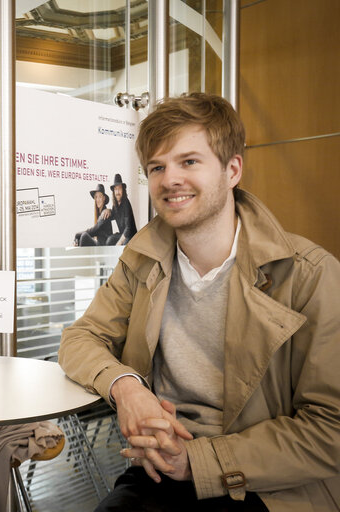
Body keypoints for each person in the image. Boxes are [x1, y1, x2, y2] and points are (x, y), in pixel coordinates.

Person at [58, 93, 340, 511]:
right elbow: (80, 338)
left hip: (269, 484)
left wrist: (198, 461)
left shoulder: (310, 273)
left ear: (232, 170)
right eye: (157, 167)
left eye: (189, 162)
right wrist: (127, 387)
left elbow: (330, 430)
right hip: (157, 467)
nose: (170, 179)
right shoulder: (141, 258)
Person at [105, 173, 137, 246]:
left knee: (123, 246)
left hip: (130, 236)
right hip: (122, 234)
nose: (117, 192)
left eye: (119, 188)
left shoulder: (126, 203)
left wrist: (119, 243)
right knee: (109, 240)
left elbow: (128, 229)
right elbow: (112, 216)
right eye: (115, 189)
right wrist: (108, 210)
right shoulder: (115, 205)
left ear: (123, 190)